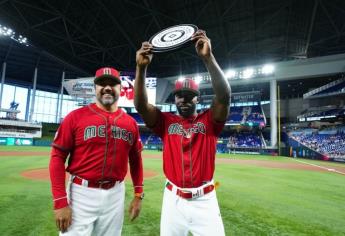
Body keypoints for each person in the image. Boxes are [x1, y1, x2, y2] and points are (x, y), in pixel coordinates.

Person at [134, 30, 231, 236]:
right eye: (179, 95)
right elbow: (141, 105)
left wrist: (208, 58)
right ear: (174, 99)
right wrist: (141, 69)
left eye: (189, 95)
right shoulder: (165, 122)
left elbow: (224, 96)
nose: (184, 99)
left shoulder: (210, 120)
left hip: (205, 200)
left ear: (197, 99)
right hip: (173, 200)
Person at [49, 67, 144, 236]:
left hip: (116, 194)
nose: (107, 87)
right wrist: (60, 202)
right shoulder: (75, 117)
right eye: (102, 84)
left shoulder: (130, 123)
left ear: (120, 89)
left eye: (113, 84)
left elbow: (136, 160)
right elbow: (57, 157)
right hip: (81, 194)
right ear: (95, 89)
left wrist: (138, 194)